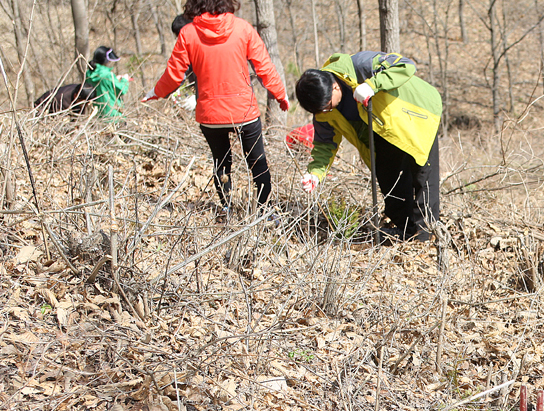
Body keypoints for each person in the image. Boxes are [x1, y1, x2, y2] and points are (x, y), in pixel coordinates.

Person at [143, 0, 289, 214]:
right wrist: (280, 94)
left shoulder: (188, 33)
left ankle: (227, 208)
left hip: (210, 115)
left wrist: (157, 92)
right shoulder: (243, 28)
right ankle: (263, 212)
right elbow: (264, 67)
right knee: (258, 162)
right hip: (244, 111)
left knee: (221, 163)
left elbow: (174, 75)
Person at [295, 52, 442, 242]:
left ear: (334, 86)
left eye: (327, 105)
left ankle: (425, 236)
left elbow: (405, 65)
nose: (326, 111)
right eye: (321, 110)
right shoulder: (322, 110)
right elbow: (325, 146)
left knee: (423, 175)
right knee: (389, 176)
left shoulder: (360, 65)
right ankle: (405, 229)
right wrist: (315, 173)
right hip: (383, 130)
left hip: (416, 115)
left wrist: (372, 85)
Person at [84, 46, 129, 120]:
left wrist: (115, 79)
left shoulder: (88, 74)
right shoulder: (107, 75)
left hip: (97, 115)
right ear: (106, 61)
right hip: (113, 114)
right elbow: (121, 90)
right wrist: (125, 80)